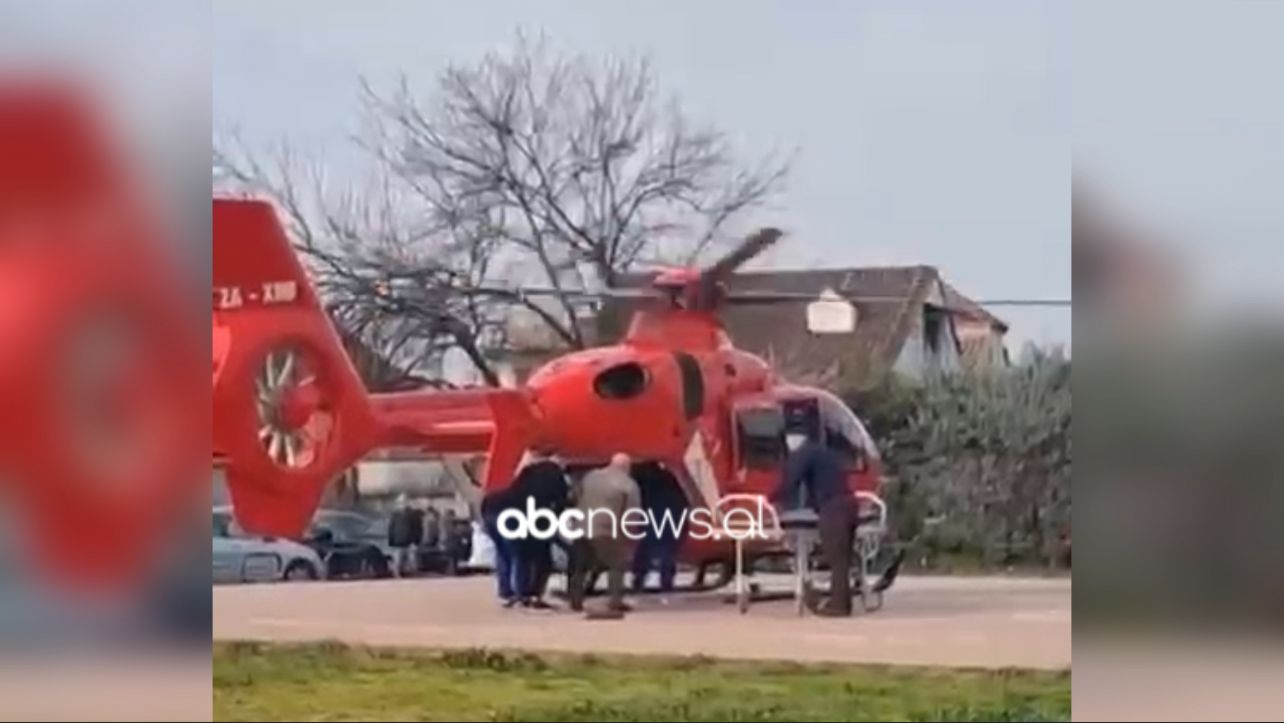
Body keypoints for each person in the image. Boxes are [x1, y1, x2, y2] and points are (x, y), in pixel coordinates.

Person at [774, 429, 857, 617]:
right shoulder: (825, 451)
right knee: (842, 560)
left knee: (835, 557)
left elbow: (791, 481)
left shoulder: (804, 453)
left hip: (833, 508)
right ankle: (843, 603)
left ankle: (838, 606)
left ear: (791, 440)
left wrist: (772, 498)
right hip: (849, 504)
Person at [568, 453, 641, 618]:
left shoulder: (591, 476)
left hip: (582, 526)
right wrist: (630, 537)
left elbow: (575, 496)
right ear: (627, 467)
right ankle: (615, 601)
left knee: (579, 566)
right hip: (607, 530)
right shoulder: (628, 485)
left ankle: (575, 600)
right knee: (616, 565)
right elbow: (632, 514)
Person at [507, 449, 570, 609]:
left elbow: (514, 493)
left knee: (523, 557)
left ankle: (521, 594)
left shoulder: (527, 472)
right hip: (542, 519)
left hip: (522, 517)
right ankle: (535, 594)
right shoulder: (555, 474)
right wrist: (557, 518)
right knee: (543, 559)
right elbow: (561, 499)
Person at [631, 462, 686, 597]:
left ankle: (639, 579)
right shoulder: (670, 478)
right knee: (667, 550)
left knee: (645, 549)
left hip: (650, 516)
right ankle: (666, 581)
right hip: (672, 516)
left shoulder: (642, 480)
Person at [387, 494, 422, 577]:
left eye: (404, 502)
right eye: (401, 502)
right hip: (398, 542)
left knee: (413, 562)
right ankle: (398, 577)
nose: (403, 504)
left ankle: (414, 577)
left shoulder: (413, 514)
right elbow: (391, 528)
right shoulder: (395, 515)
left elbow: (418, 529)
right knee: (398, 562)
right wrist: (391, 541)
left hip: (410, 542)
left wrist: (416, 542)